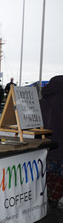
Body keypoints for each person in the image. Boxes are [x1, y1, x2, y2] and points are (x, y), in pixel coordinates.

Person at [39, 75, 63, 206]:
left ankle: (47, 193)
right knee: (60, 173)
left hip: (46, 141)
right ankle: (55, 195)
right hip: (61, 143)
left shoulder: (44, 100)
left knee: (47, 171)